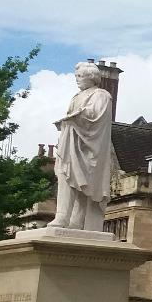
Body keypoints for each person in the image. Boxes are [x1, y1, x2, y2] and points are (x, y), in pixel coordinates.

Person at [53, 61, 116, 232]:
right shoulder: (76, 97)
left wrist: (76, 117)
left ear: (91, 77)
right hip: (72, 142)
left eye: (80, 76)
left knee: (80, 183)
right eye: (76, 76)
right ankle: (64, 216)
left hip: (88, 148)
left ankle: (70, 219)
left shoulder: (101, 95)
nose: (77, 79)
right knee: (66, 177)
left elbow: (96, 116)